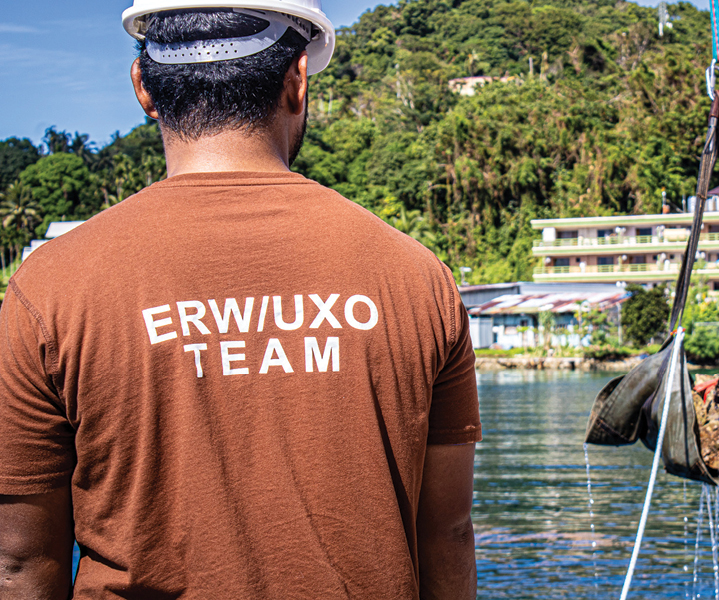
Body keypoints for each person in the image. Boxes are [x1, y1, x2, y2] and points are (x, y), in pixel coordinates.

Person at [0, 1, 480, 597]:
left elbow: (21, 560)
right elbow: (449, 534)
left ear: (143, 87)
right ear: (297, 79)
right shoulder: (416, 278)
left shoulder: (48, 287)